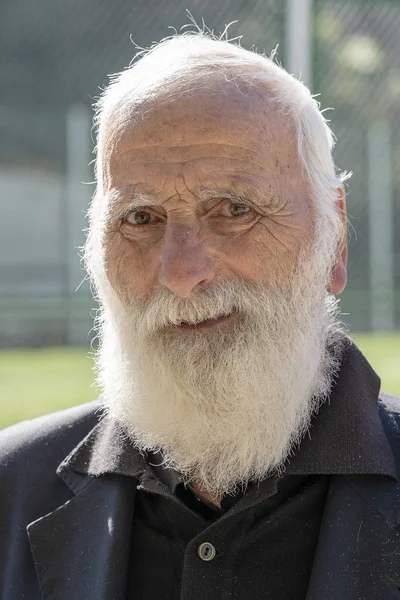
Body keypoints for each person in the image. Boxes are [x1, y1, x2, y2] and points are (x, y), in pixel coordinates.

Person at [1, 30, 400, 600]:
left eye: (235, 209)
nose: (183, 273)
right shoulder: (10, 490)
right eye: (140, 218)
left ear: (334, 239)